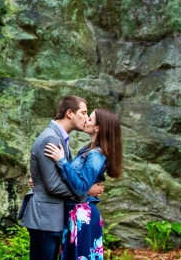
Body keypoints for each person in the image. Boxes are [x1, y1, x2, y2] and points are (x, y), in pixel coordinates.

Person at [18, 96, 105, 260]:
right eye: (84, 112)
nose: (86, 118)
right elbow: (53, 185)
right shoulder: (51, 138)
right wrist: (84, 193)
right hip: (45, 218)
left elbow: (55, 179)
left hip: (53, 218)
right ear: (70, 113)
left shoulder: (61, 138)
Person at [44, 108, 123, 260]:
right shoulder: (88, 149)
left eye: (90, 118)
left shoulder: (95, 155)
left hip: (81, 215)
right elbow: (76, 182)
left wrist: (62, 161)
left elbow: (81, 187)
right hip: (76, 212)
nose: (85, 119)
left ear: (97, 128)